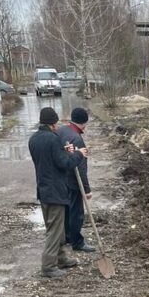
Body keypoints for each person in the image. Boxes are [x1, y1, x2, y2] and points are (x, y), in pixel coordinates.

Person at [28, 106, 88, 279]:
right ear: (53, 124)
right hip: (55, 191)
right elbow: (64, 164)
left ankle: (61, 258)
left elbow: (50, 159)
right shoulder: (53, 139)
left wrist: (64, 151)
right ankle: (48, 266)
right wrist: (78, 155)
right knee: (55, 230)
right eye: (56, 123)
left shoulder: (34, 139)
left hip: (44, 189)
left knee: (57, 228)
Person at [58, 107, 96, 253]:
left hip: (62, 178)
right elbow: (81, 167)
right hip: (73, 181)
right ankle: (77, 242)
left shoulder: (61, 130)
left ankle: (67, 236)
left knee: (67, 210)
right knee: (76, 213)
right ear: (83, 123)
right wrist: (86, 190)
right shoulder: (77, 139)